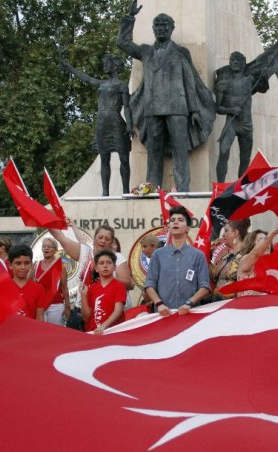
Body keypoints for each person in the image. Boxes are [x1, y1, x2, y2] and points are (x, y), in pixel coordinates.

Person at [117, 1, 215, 192]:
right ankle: (151, 189)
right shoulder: (145, 51)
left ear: (172, 29)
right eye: (157, 26)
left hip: (178, 108)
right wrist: (130, 18)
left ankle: (183, 190)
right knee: (154, 152)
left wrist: (194, 109)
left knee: (180, 151)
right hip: (152, 108)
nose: (161, 29)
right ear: (153, 29)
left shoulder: (180, 52)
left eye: (164, 26)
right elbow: (122, 43)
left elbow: (190, 82)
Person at [58, 53, 132, 196]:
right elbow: (87, 79)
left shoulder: (121, 86)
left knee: (123, 157)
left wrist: (129, 124)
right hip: (101, 122)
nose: (104, 66)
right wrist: (69, 68)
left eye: (107, 63)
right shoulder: (102, 84)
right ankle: (105, 192)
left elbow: (127, 107)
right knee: (104, 157)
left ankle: (126, 190)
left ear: (114, 66)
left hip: (115, 121)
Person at [48, 221, 133, 307]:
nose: (103, 241)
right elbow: (61, 238)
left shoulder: (118, 257)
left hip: (109, 308)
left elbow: (127, 283)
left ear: (111, 242)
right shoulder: (84, 252)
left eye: (107, 239)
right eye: (100, 237)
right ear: (94, 238)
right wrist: (45, 220)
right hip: (82, 308)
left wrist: (108, 278)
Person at [214, 52, 269, 182]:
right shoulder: (223, 84)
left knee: (245, 158)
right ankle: (220, 184)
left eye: (239, 61)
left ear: (244, 64)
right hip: (231, 123)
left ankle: (242, 185)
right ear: (229, 63)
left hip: (246, 125)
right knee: (224, 151)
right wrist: (231, 109)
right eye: (233, 60)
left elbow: (263, 88)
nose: (236, 63)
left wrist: (264, 77)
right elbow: (218, 108)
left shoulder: (249, 81)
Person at [144, 206, 210, 315]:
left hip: (190, 314)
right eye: (172, 220)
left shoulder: (198, 256)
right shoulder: (158, 255)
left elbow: (205, 287)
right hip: (163, 315)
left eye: (180, 220)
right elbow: (149, 284)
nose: (176, 223)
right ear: (168, 227)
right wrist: (159, 304)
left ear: (188, 228)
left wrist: (189, 303)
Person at [80, 249, 127, 335]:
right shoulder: (91, 288)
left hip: (113, 332)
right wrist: (83, 295)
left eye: (109, 263)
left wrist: (103, 327)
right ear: (96, 269)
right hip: (93, 333)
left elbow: (118, 311)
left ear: (114, 267)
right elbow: (86, 317)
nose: (105, 266)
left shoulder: (119, 286)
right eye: (101, 263)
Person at [32, 237, 71, 325]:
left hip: (56, 306)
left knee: (55, 335)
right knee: (40, 334)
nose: (46, 248)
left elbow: (64, 288)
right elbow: (29, 284)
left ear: (55, 250)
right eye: (44, 246)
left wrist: (67, 307)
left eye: (49, 246)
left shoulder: (60, 267)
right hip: (39, 306)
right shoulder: (35, 265)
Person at [211, 219, 250, 298]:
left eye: (226, 231)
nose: (223, 235)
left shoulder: (247, 255)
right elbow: (212, 277)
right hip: (215, 302)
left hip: (233, 304)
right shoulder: (225, 254)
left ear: (235, 233)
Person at [8, 244, 47, 321]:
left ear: (31, 264)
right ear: (10, 265)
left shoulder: (38, 289)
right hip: (8, 332)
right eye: (18, 263)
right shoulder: (2, 288)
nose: (23, 267)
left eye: (26, 263)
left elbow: (40, 318)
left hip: (30, 332)